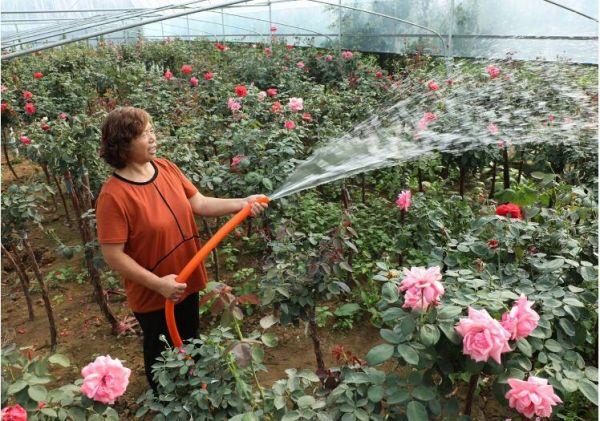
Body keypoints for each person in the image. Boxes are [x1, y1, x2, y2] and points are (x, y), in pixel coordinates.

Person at [95, 107, 268, 394]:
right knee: (161, 354)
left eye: (152, 130)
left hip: (185, 279)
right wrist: (158, 284)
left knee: (190, 340)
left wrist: (243, 202)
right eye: (144, 133)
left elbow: (198, 203)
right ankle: (167, 404)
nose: (153, 137)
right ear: (124, 143)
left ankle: (194, 396)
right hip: (155, 293)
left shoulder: (166, 167)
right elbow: (113, 255)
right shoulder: (114, 196)